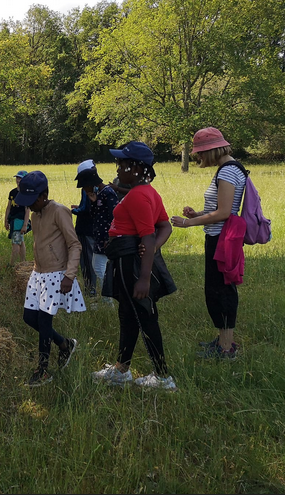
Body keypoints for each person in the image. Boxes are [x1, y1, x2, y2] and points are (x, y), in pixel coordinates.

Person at [92, 141, 177, 390]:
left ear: (138, 168)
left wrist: (144, 277)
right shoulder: (148, 192)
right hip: (129, 259)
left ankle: (162, 377)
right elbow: (165, 226)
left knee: (144, 316)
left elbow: (148, 235)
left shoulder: (139, 196)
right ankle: (121, 369)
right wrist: (152, 248)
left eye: (123, 164)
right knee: (129, 315)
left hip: (131, 263)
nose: (118, 168)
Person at [170, 127, 246, 359]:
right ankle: (224, 341)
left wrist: (186, 223)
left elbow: (223, 213)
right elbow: (224, 209)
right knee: (219, 289)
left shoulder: (227, 172)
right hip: (223, 237)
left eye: (200, 153)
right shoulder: (232, 168)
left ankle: (226, 349)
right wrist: (199, 214)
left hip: (221, 239)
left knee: (220, 291)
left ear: (212, 150)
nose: (198, 157)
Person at [15, 171, 84, 386]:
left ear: (43, 195)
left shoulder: (59, 211)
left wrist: (69, 275)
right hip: (38, 273)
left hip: (56, 274)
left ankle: (43, 370)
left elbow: (75, 244)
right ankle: (64, 344)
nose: (29, 207)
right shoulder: (35, 214)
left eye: (32, 201)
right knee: (29, 317)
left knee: (45, 322)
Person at [76, 164, 119, 305]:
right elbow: (95, 215)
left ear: (91, 183)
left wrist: (110, 237)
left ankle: (108, 301)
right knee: (96, 265)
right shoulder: (99, 195)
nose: (84, 189)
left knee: (100, 269)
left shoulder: (108, 193)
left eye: (84, 186)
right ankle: (105, 298)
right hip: (99, 238)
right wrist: (93, 202)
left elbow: (115, 216)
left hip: (106, 238)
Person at [71, 160, 97, 296]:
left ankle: (90, 288)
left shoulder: (88, 188)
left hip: (85, 228)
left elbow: (86, 208)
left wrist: (73, 211)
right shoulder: (97, 187)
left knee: (87, 260)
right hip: (93, 228)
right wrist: (78, 207)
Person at [4, 170, 31, 264]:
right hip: (13, 220)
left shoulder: (26, 194)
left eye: (21, 178)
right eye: (17, 178)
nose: (18, 180)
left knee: (15, 243)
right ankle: (23, 262)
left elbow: (27, 210)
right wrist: (6, 220)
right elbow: (8, 207)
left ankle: (12, 264)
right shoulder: (12, 192)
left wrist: (25, 224)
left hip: (20, 222)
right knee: (21, 241)